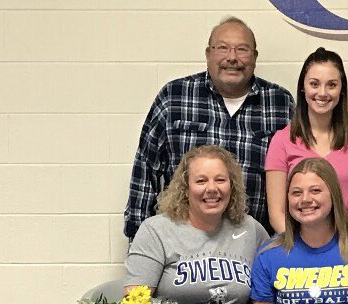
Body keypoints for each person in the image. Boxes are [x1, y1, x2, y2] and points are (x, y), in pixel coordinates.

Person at [124, 16, 294, 239]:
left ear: (254, 56)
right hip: (181, 246)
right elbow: (146, 169)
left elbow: (296, 176)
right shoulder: (175, 96)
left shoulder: (280, 103)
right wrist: (139, 240)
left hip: (255, 246)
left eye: (242, 49)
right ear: (208, 53)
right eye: (222, 48)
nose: (232, 57)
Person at [125, 145, 269, 304]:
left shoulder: (251, 229)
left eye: (220, 180)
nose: (212, 188)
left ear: (232, 186)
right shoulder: (155, 230)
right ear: (186, 189)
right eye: (201, 181)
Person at [251, 158, 348, 304]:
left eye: (315, 191)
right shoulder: (268, 256)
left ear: (333, 195)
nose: (305, 199)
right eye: (296, 193)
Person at [265, 47, 348, 239]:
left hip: (347, 246)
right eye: (314, 84)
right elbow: (277, 213)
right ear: (303, 87)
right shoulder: (281, 141)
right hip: (298, 248)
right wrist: (306, 250)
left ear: (341, 90)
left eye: (332, 85)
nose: (322, 93)